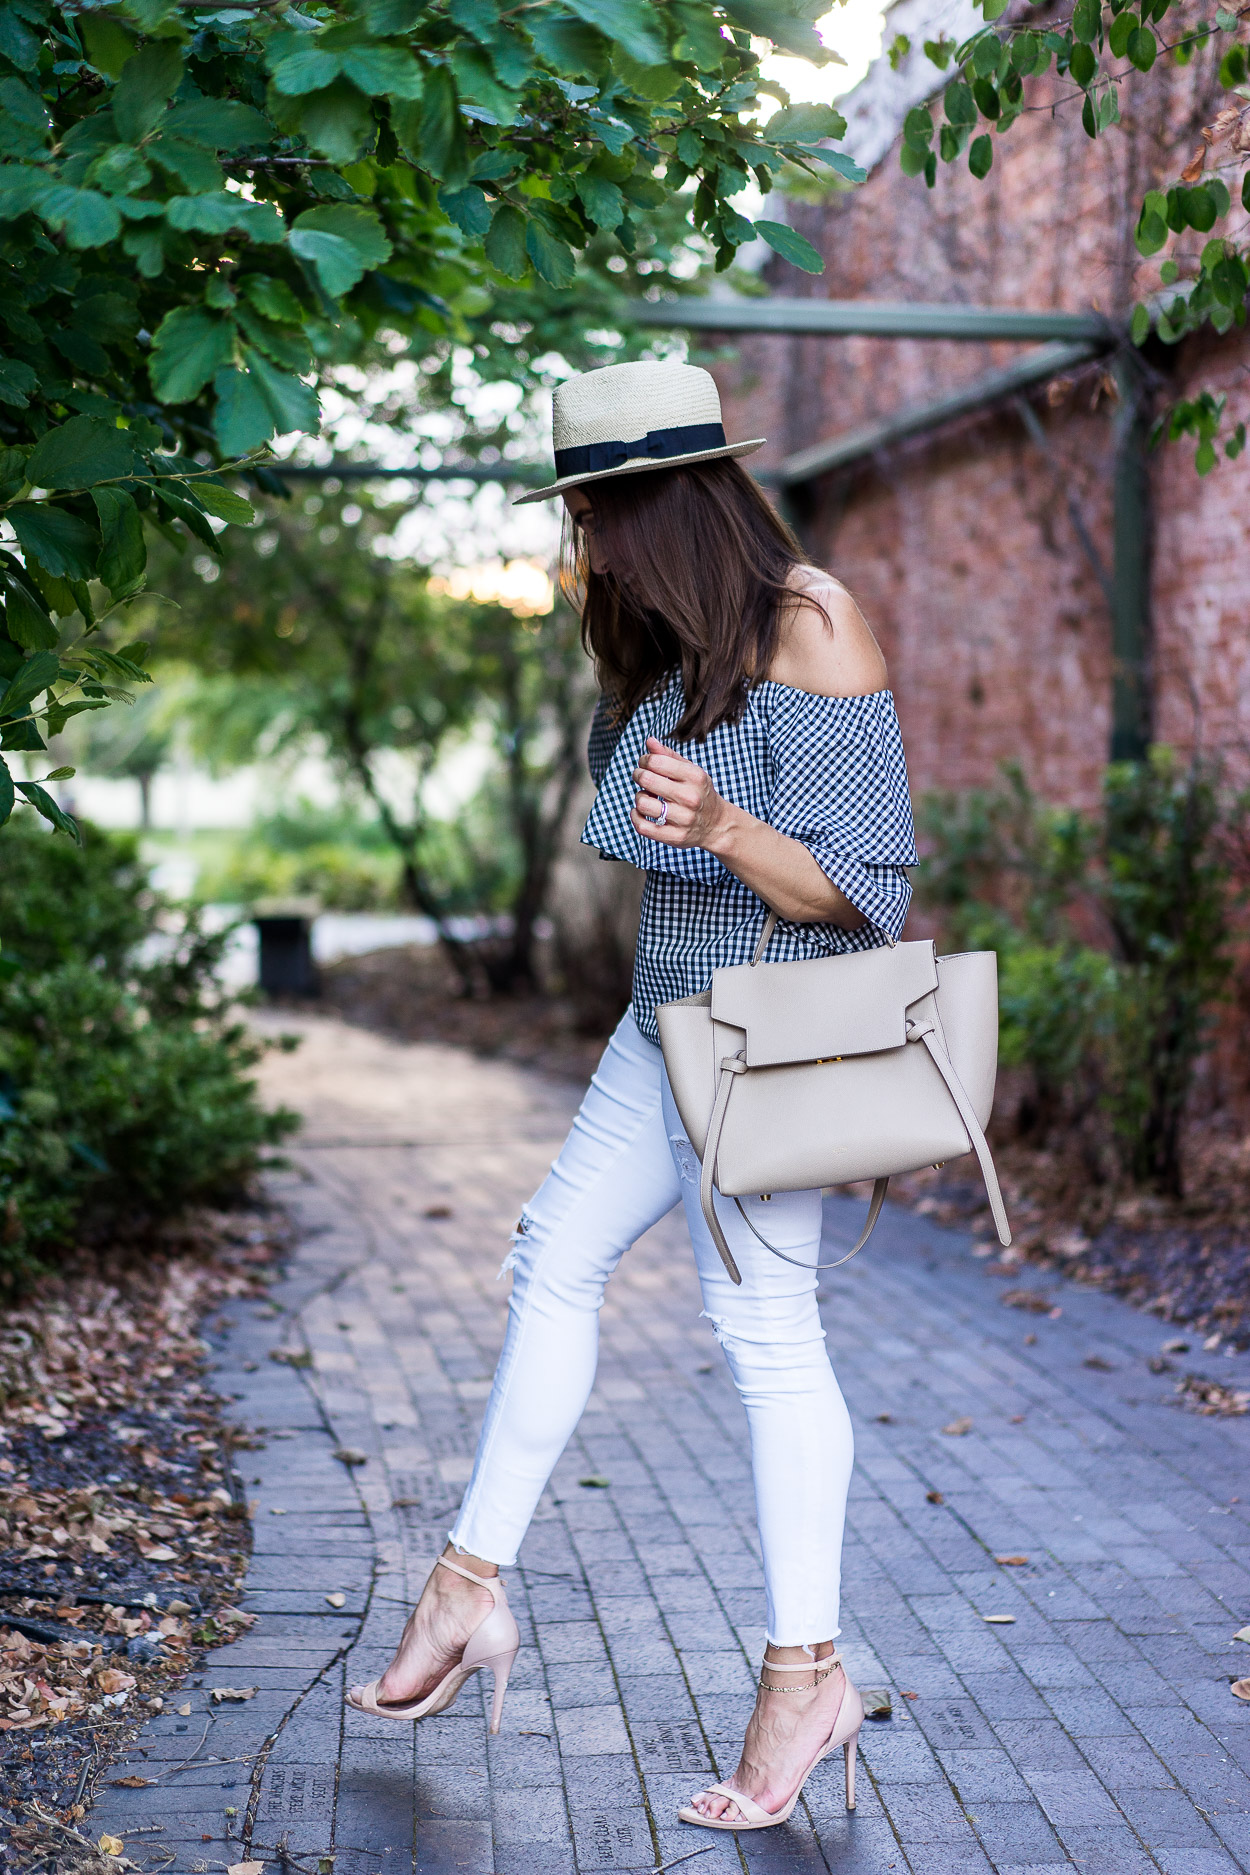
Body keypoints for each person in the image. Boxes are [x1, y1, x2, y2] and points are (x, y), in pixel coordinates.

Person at [347, 360, 918, 1830]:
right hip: (654, 1031)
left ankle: (807, 1676)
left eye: (596, 513)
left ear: (669, 502)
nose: (584, 546)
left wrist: (728, 825)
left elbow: (867, 892)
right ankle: (467, 1589)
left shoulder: (811, 617)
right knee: (550, 1259)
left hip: (765, 1040)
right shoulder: (677, 644)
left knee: (763, 1335)